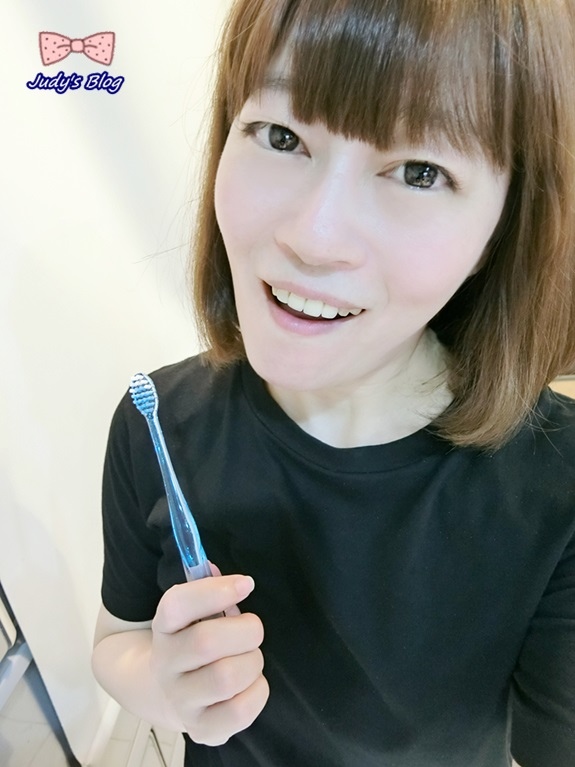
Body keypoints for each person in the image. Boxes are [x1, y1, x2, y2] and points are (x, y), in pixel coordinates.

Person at [91, 1, 575, 765]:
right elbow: (118, 636)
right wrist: (166, 685)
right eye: (280, 136)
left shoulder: (556, 485)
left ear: (501, 227)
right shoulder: (157, 422)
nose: (312, 238)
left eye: (418, 172)